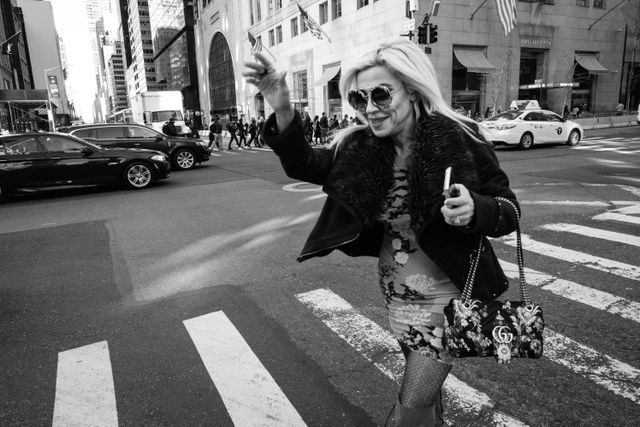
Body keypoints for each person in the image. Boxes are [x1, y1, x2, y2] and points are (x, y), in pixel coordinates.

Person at [244, 38, 520, 426]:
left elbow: (508, 209)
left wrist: (479, 208)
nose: (370, 109)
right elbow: (303, 164)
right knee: (424, 395)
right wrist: (283, 108)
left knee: (412, 401)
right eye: (360, 99)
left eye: (380, 94)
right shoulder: (359, 146)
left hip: (450, 298)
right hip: (397, 296)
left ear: (411, 88)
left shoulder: (461, 135)